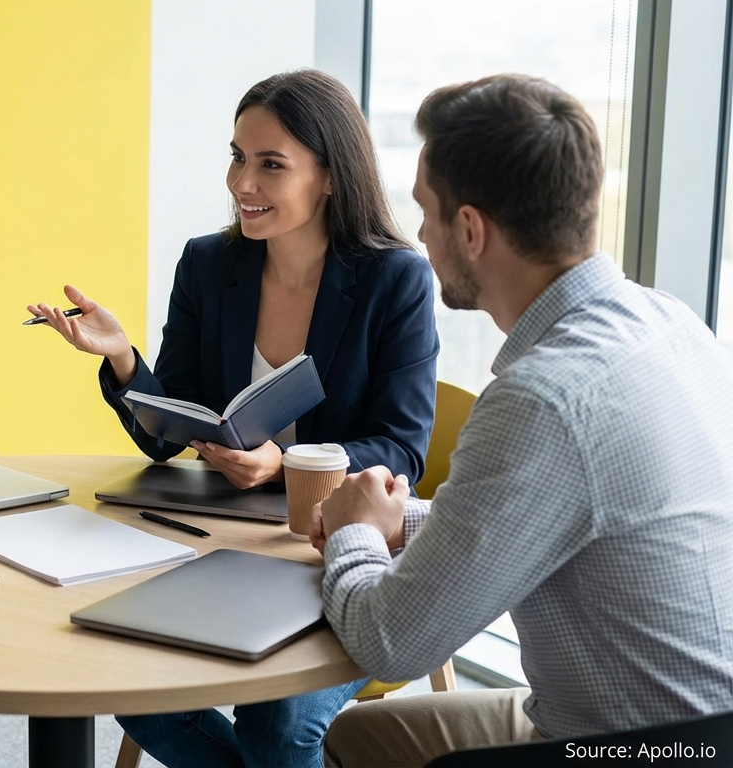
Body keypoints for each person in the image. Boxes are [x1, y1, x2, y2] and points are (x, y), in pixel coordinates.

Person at [314, 74, 733, 767]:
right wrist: (402, 521)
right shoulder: (670, 323)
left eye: (425, 211)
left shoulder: (544, 399)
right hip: (710, 728)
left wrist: (356, 531)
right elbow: (545, 520)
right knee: (359, 737)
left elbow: (390, 644)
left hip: (637, 749)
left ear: (471, 229)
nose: (417, 234)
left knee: (356, 738)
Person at [31, 70, 439, 767]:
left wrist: (285, 464)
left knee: (278, 724)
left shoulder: (394, 279)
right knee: (125, 677)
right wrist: (126, 360)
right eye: (237, 156)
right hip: (218, 544)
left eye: (270, 165)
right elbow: (166, 433)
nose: (241, 182)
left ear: (332, 177)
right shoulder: (208, 265)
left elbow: (401, 449)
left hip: (337, 552)